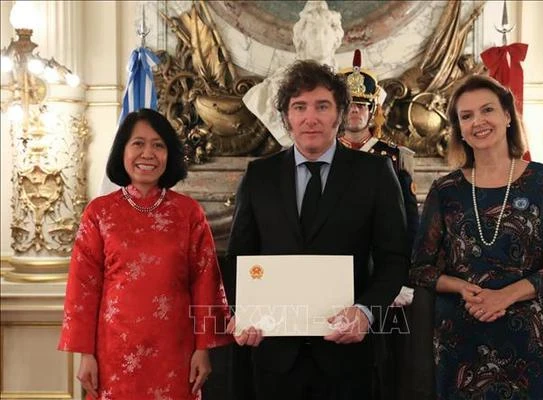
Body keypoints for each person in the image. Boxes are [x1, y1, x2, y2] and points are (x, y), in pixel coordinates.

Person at [225, 60, 410, 400]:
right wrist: (243, 313)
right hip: (274, 354)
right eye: (299, 107)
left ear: (339, 114)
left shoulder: (375, 173)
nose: (310, 118)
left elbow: (394, 257)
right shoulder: (259, 176)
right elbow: (239, 256)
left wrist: (367, 312)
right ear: (287, 117)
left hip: (349, 356)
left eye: (322, 106)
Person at [409, 75, 543, 399]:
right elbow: (420, 269)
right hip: (461, 339)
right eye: (466, 116)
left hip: (527, 340)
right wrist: (461, 286)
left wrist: (506, 295)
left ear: (507, 115)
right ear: (458, 128)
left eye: (487, 110)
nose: (478, 122)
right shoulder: (446, 190)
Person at [58, 108, 232, 400]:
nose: (148, 153)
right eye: (138, 143)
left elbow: (206, 282)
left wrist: (203, 349)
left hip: (176, 350)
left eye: (158, 145)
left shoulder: (188, 212)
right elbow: (82, 288)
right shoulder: (99, 213)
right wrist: (85, 354)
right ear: (122, 151)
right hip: (113, 351)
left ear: (169, 154)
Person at [339, 49, 419, 400]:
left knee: (382, 364)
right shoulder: (324, 153)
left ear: (373, 111)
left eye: (362, 105)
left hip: (381, 273)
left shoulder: (395, 156)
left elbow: (409, 222)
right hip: (336, 271)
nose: (355, 111)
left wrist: (402, 279)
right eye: (349, 105)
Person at [242, 1, 344, 147]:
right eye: (313, 31)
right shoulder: (270, 91)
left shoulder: (351, 87)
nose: (320, 38)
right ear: (301, 38)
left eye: (325, 31)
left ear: (336, 38)